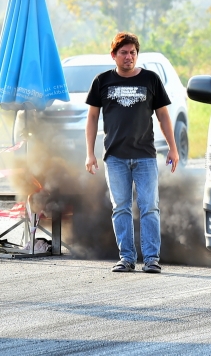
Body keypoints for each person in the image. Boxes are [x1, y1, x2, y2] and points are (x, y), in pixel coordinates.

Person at [84, 32, 179, 274]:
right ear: (114, 55)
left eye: (133, 53)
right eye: (124, 52)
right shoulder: (102, 81)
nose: (129, 57)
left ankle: (151, 259)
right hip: (115, 157)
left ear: (137, 55)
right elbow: (92, 118)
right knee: (121, 208)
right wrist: (90, 153)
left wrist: (173, 147)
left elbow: (164, 116)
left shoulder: (151, 79)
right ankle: (126, 258)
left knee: (149, 207)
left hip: (145, 156)